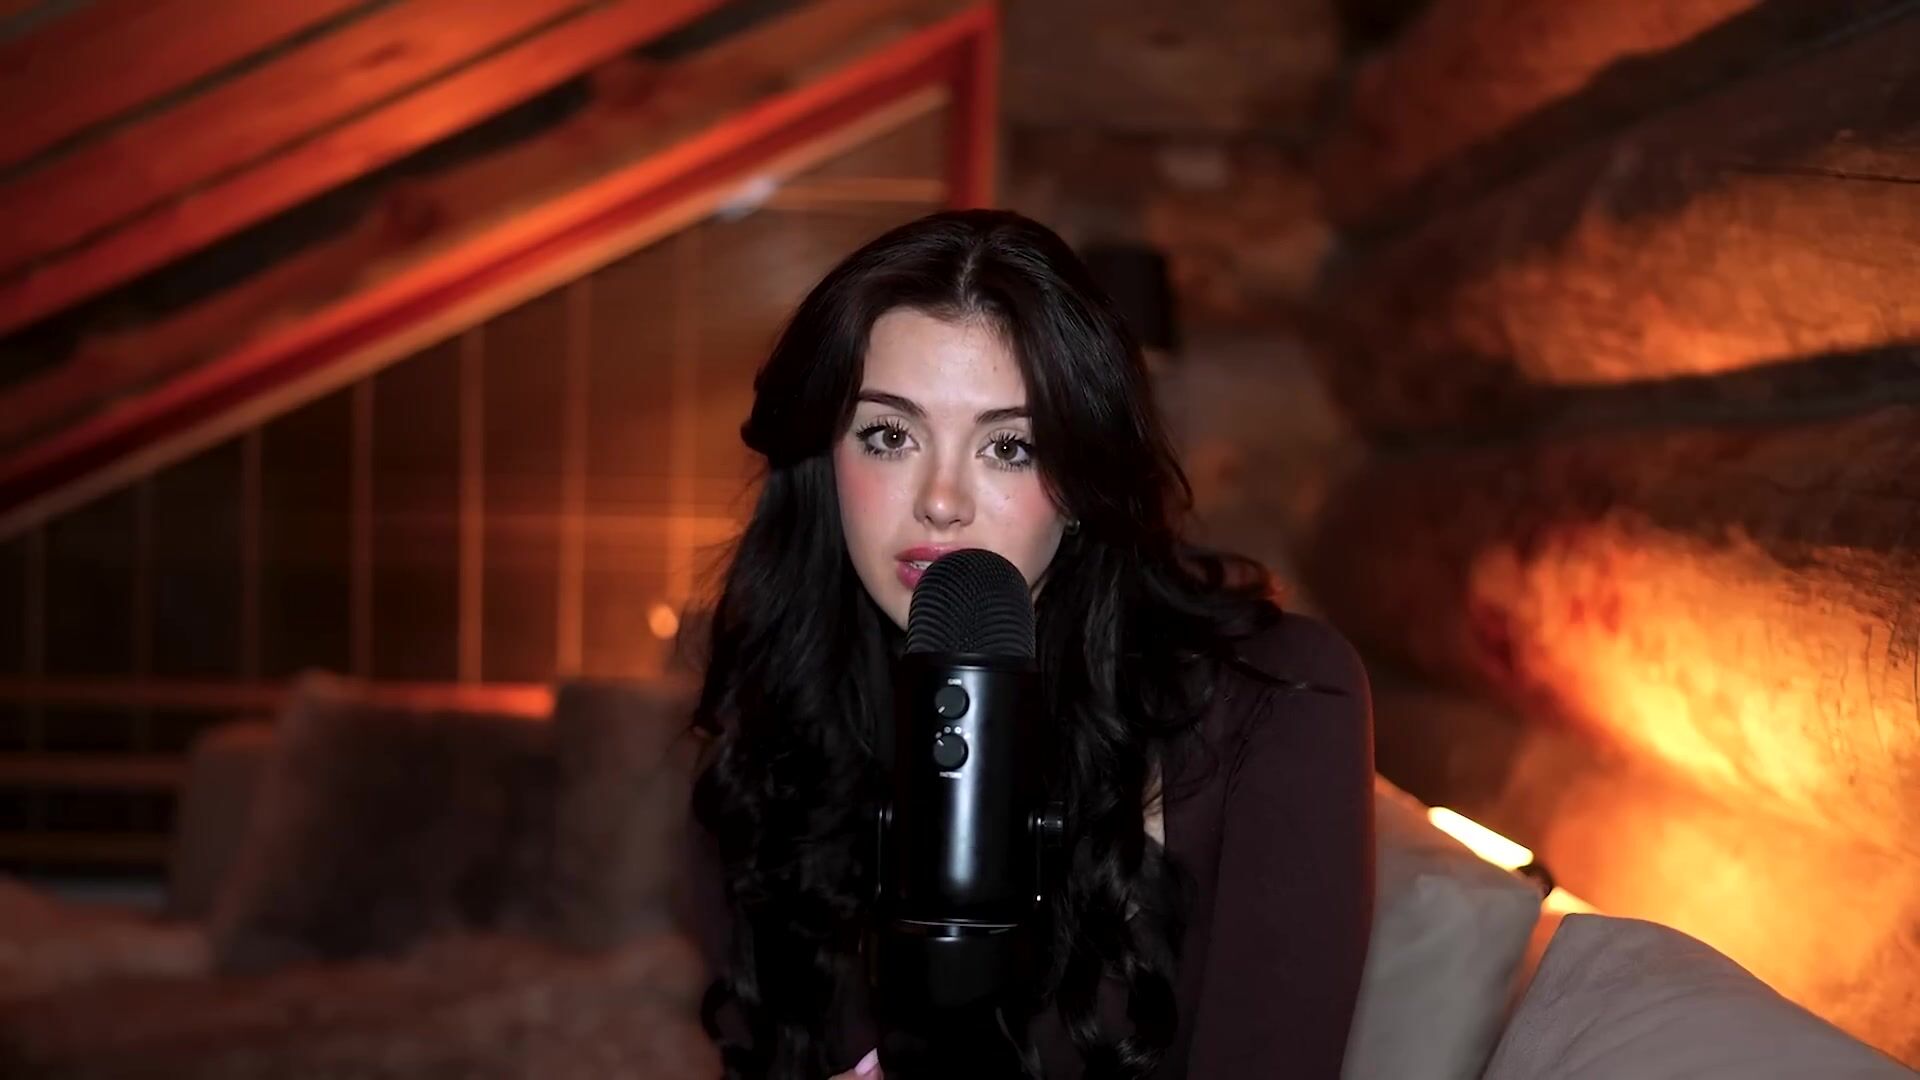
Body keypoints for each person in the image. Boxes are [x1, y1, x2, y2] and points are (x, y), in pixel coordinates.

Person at [680, 209, 1374, 1079]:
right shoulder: (771, 719)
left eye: (1009, 446)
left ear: (1081, 483)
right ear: (826, 460)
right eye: (890, 436)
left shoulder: (1279, 698)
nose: (941, 499)